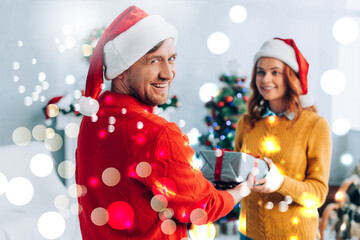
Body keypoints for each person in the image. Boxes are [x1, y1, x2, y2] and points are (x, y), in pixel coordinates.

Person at [76, 6, 255, 240]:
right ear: (121, 70)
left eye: (171, 58)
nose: (168, 73)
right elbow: (201, 208)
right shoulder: (157, 133)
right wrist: (242, 190)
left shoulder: (95, 117)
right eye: (154, 61)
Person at [234, 38, 332, 240]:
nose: (265, 79)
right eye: (261, 72)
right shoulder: (247, 122)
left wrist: (280, 183)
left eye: (275, 72)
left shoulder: (314, 125)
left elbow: (319, 194)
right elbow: (238, 176)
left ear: (290, 77)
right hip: (248, 234)